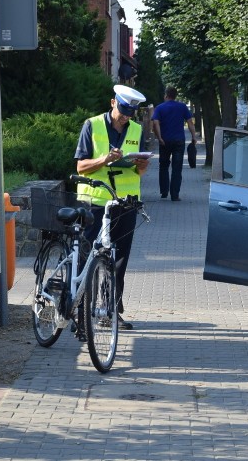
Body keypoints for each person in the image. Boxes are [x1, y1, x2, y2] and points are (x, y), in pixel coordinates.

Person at [74, 84, 150, 331]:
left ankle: (111, 311)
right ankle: (80, 313)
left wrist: (140, 165)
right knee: (87, 257)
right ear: (112, 103)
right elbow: (80, 167)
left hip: (125, 202)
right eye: (123, 110)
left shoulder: (136, 129)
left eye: (131, 112)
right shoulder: (92, 125)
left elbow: (140, 171)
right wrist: (104, 159)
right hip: (94, 202)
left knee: (118, 260)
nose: (126, 116)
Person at [151, 86, 197, 201]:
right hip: (179, 141)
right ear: (175, 96)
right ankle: (175, 195)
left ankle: (164, 192)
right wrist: (194, 137)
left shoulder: (159, 108)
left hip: (165, 141)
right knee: (177, 168)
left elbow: (155, 123)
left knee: (163, 166)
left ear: (166, 95)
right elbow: (190, 122)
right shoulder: (182, 107)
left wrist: (159, 137)